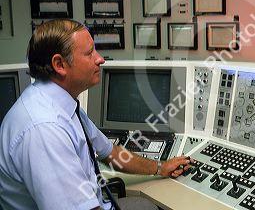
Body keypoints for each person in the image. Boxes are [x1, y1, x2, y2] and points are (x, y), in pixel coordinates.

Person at [0, 20, 191, 210]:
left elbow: (112, 153)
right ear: (59, 64)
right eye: (90, 52)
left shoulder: (60, 104)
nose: (100, 59)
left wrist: (160, 167)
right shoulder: (44, 129)